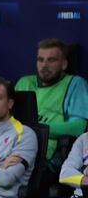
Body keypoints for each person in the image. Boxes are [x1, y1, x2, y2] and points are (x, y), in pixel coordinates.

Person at [15, 38, 88, 170]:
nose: (44, 65)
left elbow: (78, 128)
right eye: (40, 60)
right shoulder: (24, 82)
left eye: (51, 60)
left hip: (48, 155)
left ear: (64, 64)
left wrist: (34, 129)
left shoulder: (75, 83)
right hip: (14, 147)